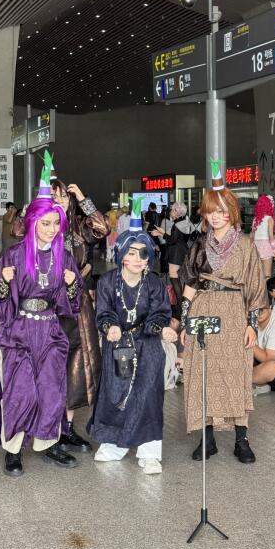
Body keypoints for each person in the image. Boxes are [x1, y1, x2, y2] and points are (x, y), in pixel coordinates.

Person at [0, 156, 82, 477]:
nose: (52, 229)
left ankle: (48, 442)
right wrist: (3, 282)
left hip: (51, 331)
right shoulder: (14, 254)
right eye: (46, 223)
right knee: (20, 391)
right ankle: (13, 449)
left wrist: (72, 285)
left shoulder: (63, 257)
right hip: (19, 331)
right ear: (32, 223)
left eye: (56, 223)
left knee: (51, 390)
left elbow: (73, 302)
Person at [179, 159, 266, 464]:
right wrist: (184, 321)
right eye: (209, 211)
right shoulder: (198, 245)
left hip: (233, 312)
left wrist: (252, 324)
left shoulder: (245, 245)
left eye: (220, 211)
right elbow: (189, 284)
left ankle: (242, 439)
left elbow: (255, 286)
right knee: (202, 372)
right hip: (203, 308)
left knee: (236, 373)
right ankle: (208, 439)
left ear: (231, 212)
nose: (214, 217)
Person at [87, 198, 175, 475]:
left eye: (144, 254)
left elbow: (161, 313)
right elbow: (103, 313)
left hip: (148, 345)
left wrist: (162, 328)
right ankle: (115, 445)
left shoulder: (155, 283)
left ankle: (150, 452)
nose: (138, 259)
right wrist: (110, 327)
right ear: (122, 254)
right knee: (115, 394)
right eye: (133, 253)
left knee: (148, 395)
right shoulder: (106, 281)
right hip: (118, 345)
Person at [50, 173, 110, 453]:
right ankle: (49, 427)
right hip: (47, 304)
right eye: (54, 196)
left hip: (77, 302)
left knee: (77, 363)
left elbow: (102, 229)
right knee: (49, 363)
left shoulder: (78, 225)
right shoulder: (39, 226)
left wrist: (84, 200)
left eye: (64, 195)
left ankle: (68, 428)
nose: (60, 200)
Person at [153, 201, 194, 320]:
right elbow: (179, 238)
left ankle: (181, 307)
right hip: (183, 251)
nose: (170, 211)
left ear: (176, 212)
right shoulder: (185, 223)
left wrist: (160, 233)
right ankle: (182, 305)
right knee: (180, 279)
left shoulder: (177, 225)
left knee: (174, 279)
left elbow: (172, 240)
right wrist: (162, 232)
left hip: (175, 253)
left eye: (172, 209)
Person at [251, 194, 275, 281]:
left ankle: (257, 289)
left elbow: (252, 236)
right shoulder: (269, 219)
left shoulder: (255, 219)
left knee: (257, 274)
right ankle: (265, 290)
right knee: (267, 275)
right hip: (266, 246)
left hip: (256, 247)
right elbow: (271, 237)